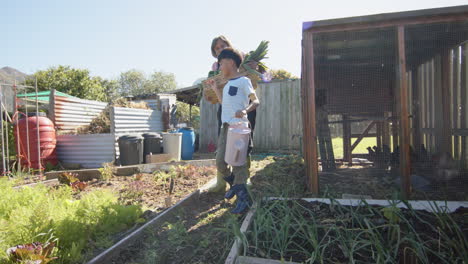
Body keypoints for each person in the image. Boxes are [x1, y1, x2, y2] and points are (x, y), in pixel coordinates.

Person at [206, 48, 260, 214]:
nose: (220, 67)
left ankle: (244, 200)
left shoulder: (244, 81)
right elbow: (224, 103)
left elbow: (256, 101)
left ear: (230, 62)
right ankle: (235, 185)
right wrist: (215, 89)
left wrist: (245, 111)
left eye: (221, 63)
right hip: (225, 127)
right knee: (221, 162)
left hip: (239, 127)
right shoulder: (228, 84)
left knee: (238, 164)